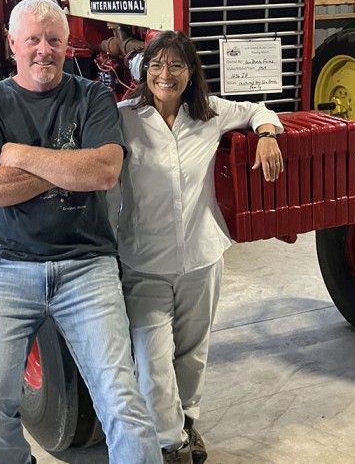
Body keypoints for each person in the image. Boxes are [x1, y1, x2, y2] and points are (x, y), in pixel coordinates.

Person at [0, 0, 161, 463]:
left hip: (86, 265)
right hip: (6, 267)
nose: (43, 50)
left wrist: (17, 153)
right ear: (13, 45)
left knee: (124, 406)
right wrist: (72, 167)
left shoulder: (91, 96)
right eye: (32, 39)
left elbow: (105, 171)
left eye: (53, 40)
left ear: (68, 44)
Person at [115, 31, 284, 464]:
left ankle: (186, 420)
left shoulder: (209, 116)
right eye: (156, 65)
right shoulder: (123, 117)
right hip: (144, 262)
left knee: (192, 353)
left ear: (190, 74)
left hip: (201, 256)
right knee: (152, 362)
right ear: (144, 71)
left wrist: (267, 134)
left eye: (175, 65)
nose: (164, 74)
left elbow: (256, 110)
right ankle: (172, 445)